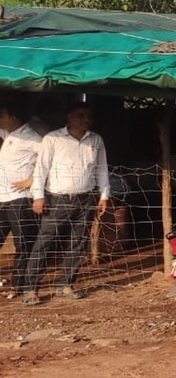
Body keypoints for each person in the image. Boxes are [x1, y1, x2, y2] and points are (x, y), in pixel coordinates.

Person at [24, 101, 111, 303]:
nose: (85, 120)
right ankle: (31, 289)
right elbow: (41, 169)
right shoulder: (53, 138)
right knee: (45, 242)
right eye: (80, 115)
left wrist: (104, 195)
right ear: (69, 117)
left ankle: (65, 284)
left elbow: (101, 168)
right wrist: (38, 196)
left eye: (88, 116)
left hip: (86, 198)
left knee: (78, 244)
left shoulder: (95, 140)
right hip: (57, 199)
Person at [0, 102, 42, 302]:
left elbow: (48, 157)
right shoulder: (8, 134)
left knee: (23, 243)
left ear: (13, 118)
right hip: (2, 198)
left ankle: (20, 283)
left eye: (3, 116)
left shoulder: (31, 138)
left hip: (20, 199)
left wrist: (31, 180)